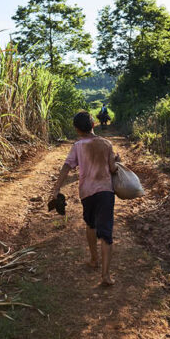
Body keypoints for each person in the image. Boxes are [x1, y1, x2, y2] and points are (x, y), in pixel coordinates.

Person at [50, 111, 120, 286]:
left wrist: (57, 187)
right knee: (106, 233)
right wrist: (116, 161)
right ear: (94, 125)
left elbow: (67, 166)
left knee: (90, 224)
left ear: (76, 129)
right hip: (105, 192)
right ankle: (105, 275)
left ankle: (94, 259)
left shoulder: (78, 146)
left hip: (87, 192)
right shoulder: (106, 144)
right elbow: (113, 169)